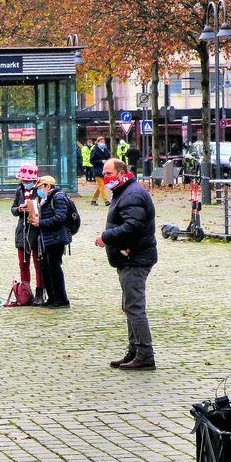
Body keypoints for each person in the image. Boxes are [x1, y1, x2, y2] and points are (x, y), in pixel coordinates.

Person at [95, 158, 159, 370]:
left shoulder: (132, 194)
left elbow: (133, 226)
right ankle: (134, 350)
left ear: (122, 173)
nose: (106, 177)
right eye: (104, 173)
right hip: (128, 257)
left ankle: (144, 354)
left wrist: (106, 237)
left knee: (135, 307)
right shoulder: (125, 192)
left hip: (135, 258)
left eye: (109, 173)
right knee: (129, 306)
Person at [30, 175, 72, 309]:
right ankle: (52, 297)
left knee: (54, 269)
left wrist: (40, 223)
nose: (39, 191)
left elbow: (60, 217)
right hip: (47, 238)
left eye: (41, 187)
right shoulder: (44, 198)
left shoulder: (58, 197)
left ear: (48, 186)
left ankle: (61, 299)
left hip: (57, 238)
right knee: (46, 268)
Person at [10, 164, 45, 305]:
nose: (26, 183)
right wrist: (19, 209)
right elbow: (13, 209)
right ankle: (25, 292)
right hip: (22, 231)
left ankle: (40, 293)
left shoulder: (40, 191)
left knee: (38, 264)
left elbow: (45, 208)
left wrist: (34, 209)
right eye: (24, 181)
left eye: (29, 181)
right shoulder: (19, 191)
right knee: (23, 263)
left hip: (36, 230)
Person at [89, 137, 111, 206]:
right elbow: (91, 161)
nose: (103, 143)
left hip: (104, 170)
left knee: (100, 187)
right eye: (101, 142)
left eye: (103, 142)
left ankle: (93, 200)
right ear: (97, 142)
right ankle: (106, 200)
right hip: (97, 170)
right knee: (102, 186)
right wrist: (101, 161)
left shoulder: (105, 150)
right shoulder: (94, 150)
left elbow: (108, 156)